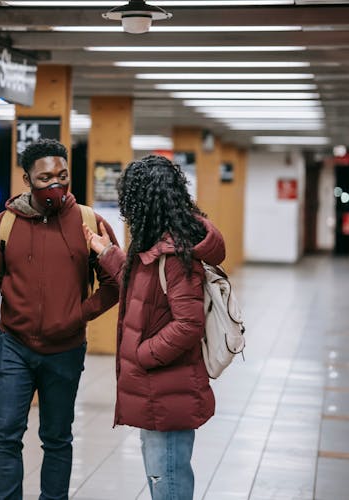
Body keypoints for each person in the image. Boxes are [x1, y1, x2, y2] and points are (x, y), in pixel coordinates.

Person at [0, 138, 120, 500]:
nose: (55, 185)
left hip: (67, 350)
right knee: (6, 436)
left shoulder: (90, 222)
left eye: (62, 176)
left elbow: (116, 282)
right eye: (45, 178)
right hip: (13, 346)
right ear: (27, 180)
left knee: (57, 438)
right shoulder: (4, 224)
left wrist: (79, 315)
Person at [84, 155, 226, 500]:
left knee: (170, 485)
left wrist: (142, 353)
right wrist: (107, 253)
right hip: (157, 391)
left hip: (167, 390)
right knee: (162, 478)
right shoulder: (156, 246)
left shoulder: (176, 255)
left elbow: (188, 324)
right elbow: (141, 291)